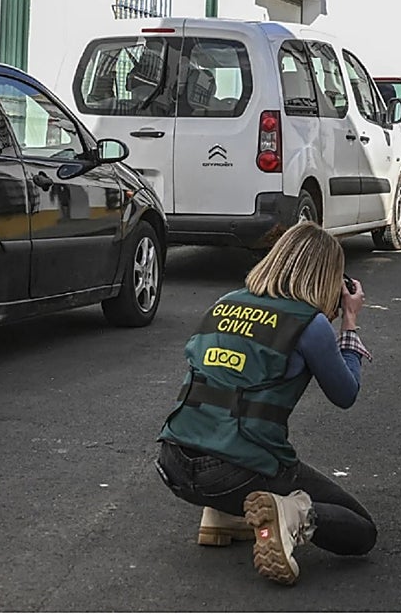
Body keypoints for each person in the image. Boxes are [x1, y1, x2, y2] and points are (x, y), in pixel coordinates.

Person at [154, 221, 376, 586]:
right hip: (235, 472)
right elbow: (345, 394)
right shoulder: (309, 324)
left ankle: (221, 517)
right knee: (362, 530)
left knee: (227, 428)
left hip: (174, 463)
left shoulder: (225, 303)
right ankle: (292, 514)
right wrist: (349, 322)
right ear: (329, 279)